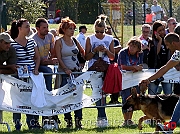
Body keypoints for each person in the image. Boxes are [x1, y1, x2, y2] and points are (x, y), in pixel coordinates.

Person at [141, 33, 180, 133]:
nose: (166, 47)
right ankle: (170, 128)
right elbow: (165, 68)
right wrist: (148, 80)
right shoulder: (177, 53)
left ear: (174, 43)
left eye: (167, 44)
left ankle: (170, 127)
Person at [10, 18, 41, 130]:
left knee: (31, 99)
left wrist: (36, 69)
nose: (29, 28)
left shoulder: (32, 42)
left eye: (29, 26)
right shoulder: (13, 44)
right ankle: (17, 124)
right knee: (18, 100)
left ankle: (32, 123)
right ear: (19, 28)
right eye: (26, 26)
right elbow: (11, 61)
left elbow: (37, 57)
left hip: (32, 76)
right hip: (18, 77)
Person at [54, 17, 85, 129]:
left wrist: (82, 63)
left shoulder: (75, 41)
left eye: (73, 29)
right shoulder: (59, 42)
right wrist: (65, 69)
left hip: (76, 72)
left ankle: (78, 121)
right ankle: (68, 120)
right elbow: (59, 57)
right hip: (65, 74)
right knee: (66, 98)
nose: (72, 31)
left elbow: (82, 52)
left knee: (78, 97)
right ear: (64, 29)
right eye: (70, 29)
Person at [85, 14, 115, 127]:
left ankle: (102, 117)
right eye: (97, 32)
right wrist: (95, 50)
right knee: (97, 93)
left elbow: (112, 57)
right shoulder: (90, 39)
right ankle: (101, 116)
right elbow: (86, 57)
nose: (99, 34)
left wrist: (106, 50)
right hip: (94, 68)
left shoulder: (110, 39)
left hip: (106, 68)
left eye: (101, 32)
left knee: (104, 93)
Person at [32, 18, 60, 128]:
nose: (47, 30)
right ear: (37, 29)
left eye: (47, 27)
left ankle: (49, 96)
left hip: (46, 64)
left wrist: (52, 59)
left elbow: (53, 53)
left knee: (50, 70)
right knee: (48, 71)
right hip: (36, 67)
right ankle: (48, 91)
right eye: (44, 28)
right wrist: (49, 61)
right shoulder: (33, 39)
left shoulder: (50, 37)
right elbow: (36, 58)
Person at [118, 36, 143, 126]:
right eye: (130, 46)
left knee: (133, 98)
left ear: (138, 48)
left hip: (135, 78)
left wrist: (138, 68)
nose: (131, 48)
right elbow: (123, 66)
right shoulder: (123, 52)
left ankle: (130, 119)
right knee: (125, 98)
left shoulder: (140, 54)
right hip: (124, 78)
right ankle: (125, 120)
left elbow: (140, 65)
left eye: (134, 46)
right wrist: (134, 67)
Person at [147, 20, 172, 95]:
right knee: (152, 94)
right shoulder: (151, 42)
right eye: (159, 30)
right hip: (154, 70)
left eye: (163, 30)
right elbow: (155, 53)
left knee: (168, 94)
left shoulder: (167, 41)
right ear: (155, 32)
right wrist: (160, 40)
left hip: (166, 70)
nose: (162, 32)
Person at [105, 25, 121, 104]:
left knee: (115, 82)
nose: (109, 35)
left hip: (114, 64)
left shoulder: (115, 40)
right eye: (108, 33)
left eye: (110, 33)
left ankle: (115, 98)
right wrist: (111, 51)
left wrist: (107, 51)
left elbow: (119, 48)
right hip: (105, 64)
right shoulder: (103, 40)